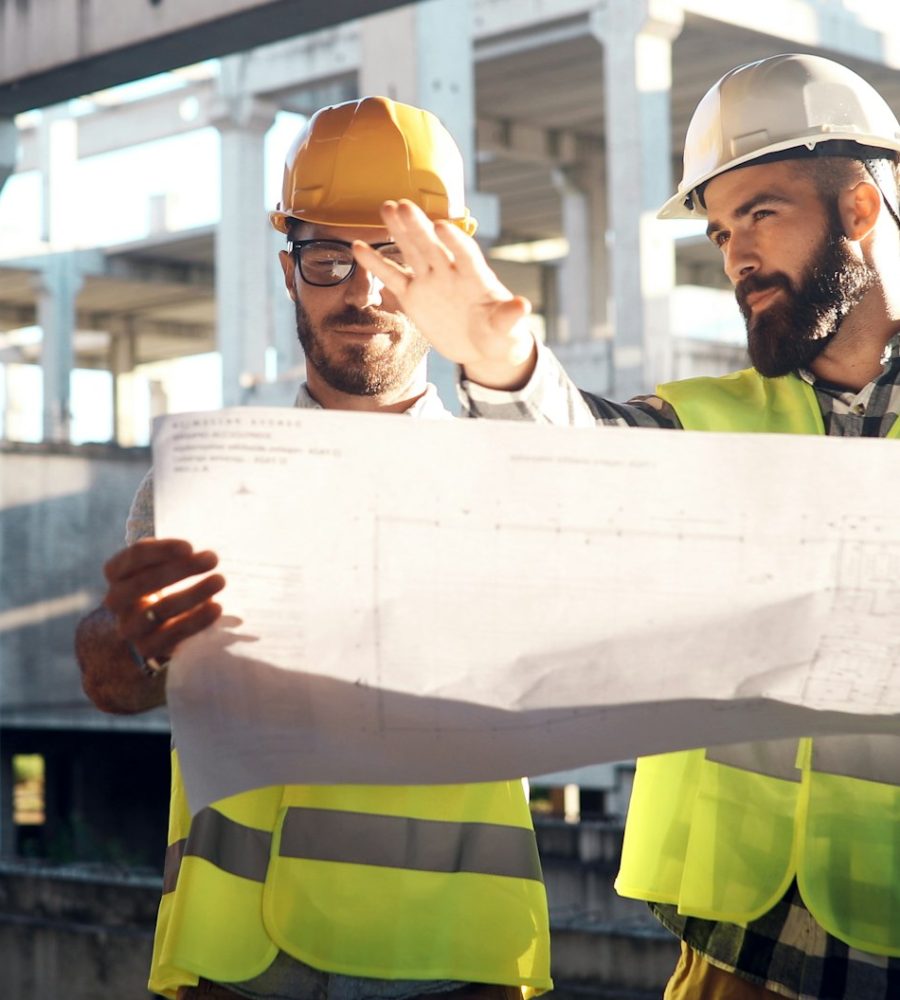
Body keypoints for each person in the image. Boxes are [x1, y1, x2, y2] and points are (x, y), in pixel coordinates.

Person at [354, 54, 900, 1000]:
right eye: (722, 230)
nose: (735, 256)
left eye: (761, 213)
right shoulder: (718, 416)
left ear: (858, 209)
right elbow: (590, 460)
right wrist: (503, 361)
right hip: (734, 959)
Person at [74, 96, 551, 1000]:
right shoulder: (204, 483)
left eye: (394, 258)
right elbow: (122, 683)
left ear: (441, 267)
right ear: (290, 272)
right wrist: (116, 645)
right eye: (328, 258)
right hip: (239, 963)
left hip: (458, 962)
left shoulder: (516, 479)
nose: (361, 292)